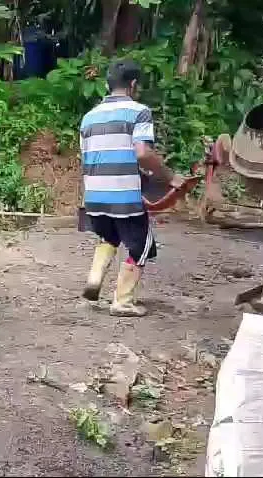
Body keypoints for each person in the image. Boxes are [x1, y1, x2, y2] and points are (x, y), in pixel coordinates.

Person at [80, 59, 183, 317]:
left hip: (94, 195)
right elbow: (143, 153)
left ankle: (94, 281)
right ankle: (122, 302)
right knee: (141, 247)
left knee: (109, 237)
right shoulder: (139, 111)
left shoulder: (89, 117)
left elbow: (87, 156)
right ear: (133, 84)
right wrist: (169, 177)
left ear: (107, 83)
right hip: (125, 196)